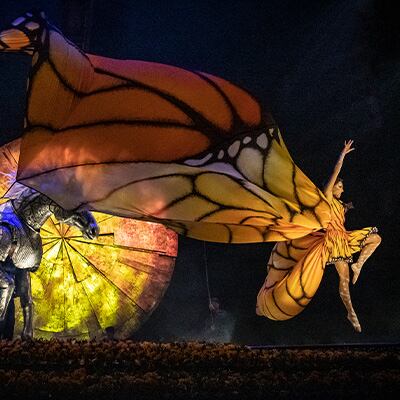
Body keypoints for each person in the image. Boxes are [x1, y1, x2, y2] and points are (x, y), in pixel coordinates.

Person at [324, 140, 381, 332]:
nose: (341, 189)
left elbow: (351, 206)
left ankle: (359, 264)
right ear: (332, 188)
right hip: (334, 240)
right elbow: (335, 173)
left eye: (341, 187)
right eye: (339, 187)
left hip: (345, 236)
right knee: (344, 279)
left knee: (376, 238)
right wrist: (342, 155)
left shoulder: (341, 205)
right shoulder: (328, 197)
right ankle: (350, 311)